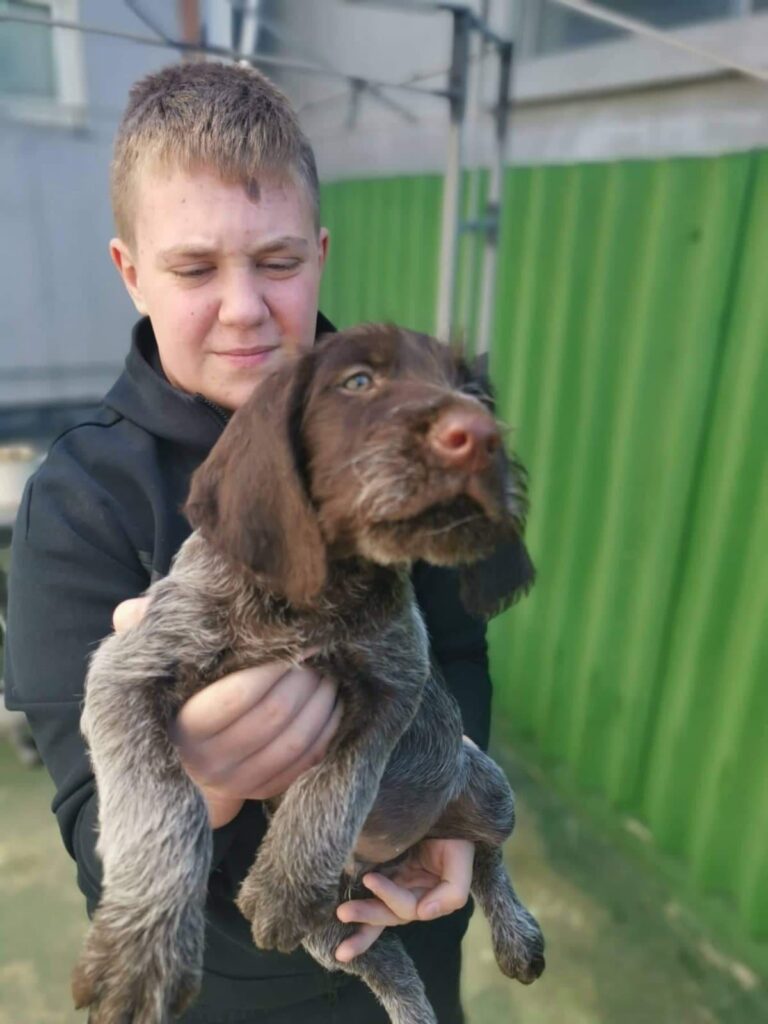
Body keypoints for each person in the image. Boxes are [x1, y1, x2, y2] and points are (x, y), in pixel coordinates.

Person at [3, 61, 506, 1023]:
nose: (245, 308)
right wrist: (203, 781)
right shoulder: (78, 501)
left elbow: (462, 648)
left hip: (409, 945)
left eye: (277, 262)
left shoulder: (410, 432)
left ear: (319, 253)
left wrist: (449, 825)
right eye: (195, 268)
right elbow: (90, 836)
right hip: (227, 991)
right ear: (131, 271)